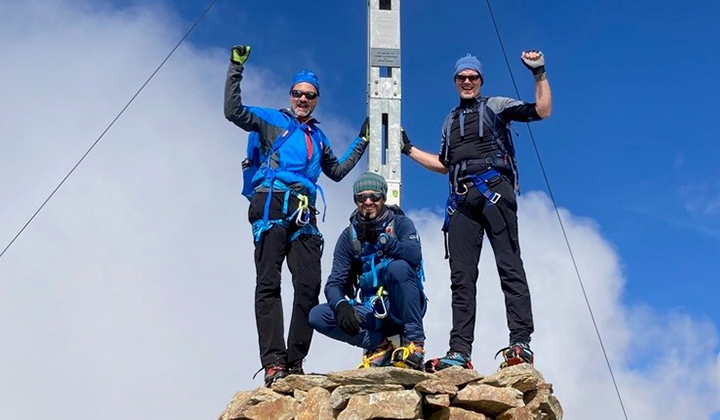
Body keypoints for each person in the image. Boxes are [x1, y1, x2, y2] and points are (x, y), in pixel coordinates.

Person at [224, 45, 369, 386]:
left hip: (304, 210)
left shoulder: (318, 137)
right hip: (272, 202)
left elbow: (335, 171)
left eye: (310, 95)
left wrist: (361, 141)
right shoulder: (272, 121)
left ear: (316, 100)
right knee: (268, 281)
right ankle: (273, 361)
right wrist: (235, 68)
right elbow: (232, 111)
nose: (303, 100)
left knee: (308, 286)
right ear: (290, 95)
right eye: (298, 94)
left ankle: (295, 359)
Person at [400, 51, 552, 371]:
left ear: (480, 81)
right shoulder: (449, 121)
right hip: (461, 202)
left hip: (494, 192)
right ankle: (460, 351)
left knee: (509, 266)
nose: (467, 82)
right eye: (461, 78)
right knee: (462, 278)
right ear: (456, 82)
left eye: (472, 77)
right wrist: (408, 148)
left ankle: (520, 342)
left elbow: (542, 110)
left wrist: (538, 73)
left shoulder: (495, 106)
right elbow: (444, 165)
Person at [308, 172, 426, 370]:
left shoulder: (401, 224)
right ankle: (379, 346)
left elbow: (414, 254)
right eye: (361, 198)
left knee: (399, 267)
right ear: (356, 201)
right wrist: (341, 305)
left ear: (384, 198)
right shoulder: (348, 237)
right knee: (318, 315)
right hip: (371, 310)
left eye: (375, 197)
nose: (368, 202)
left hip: (401, 307)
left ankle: (415, 345)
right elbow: (334, 283)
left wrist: (381, 239)